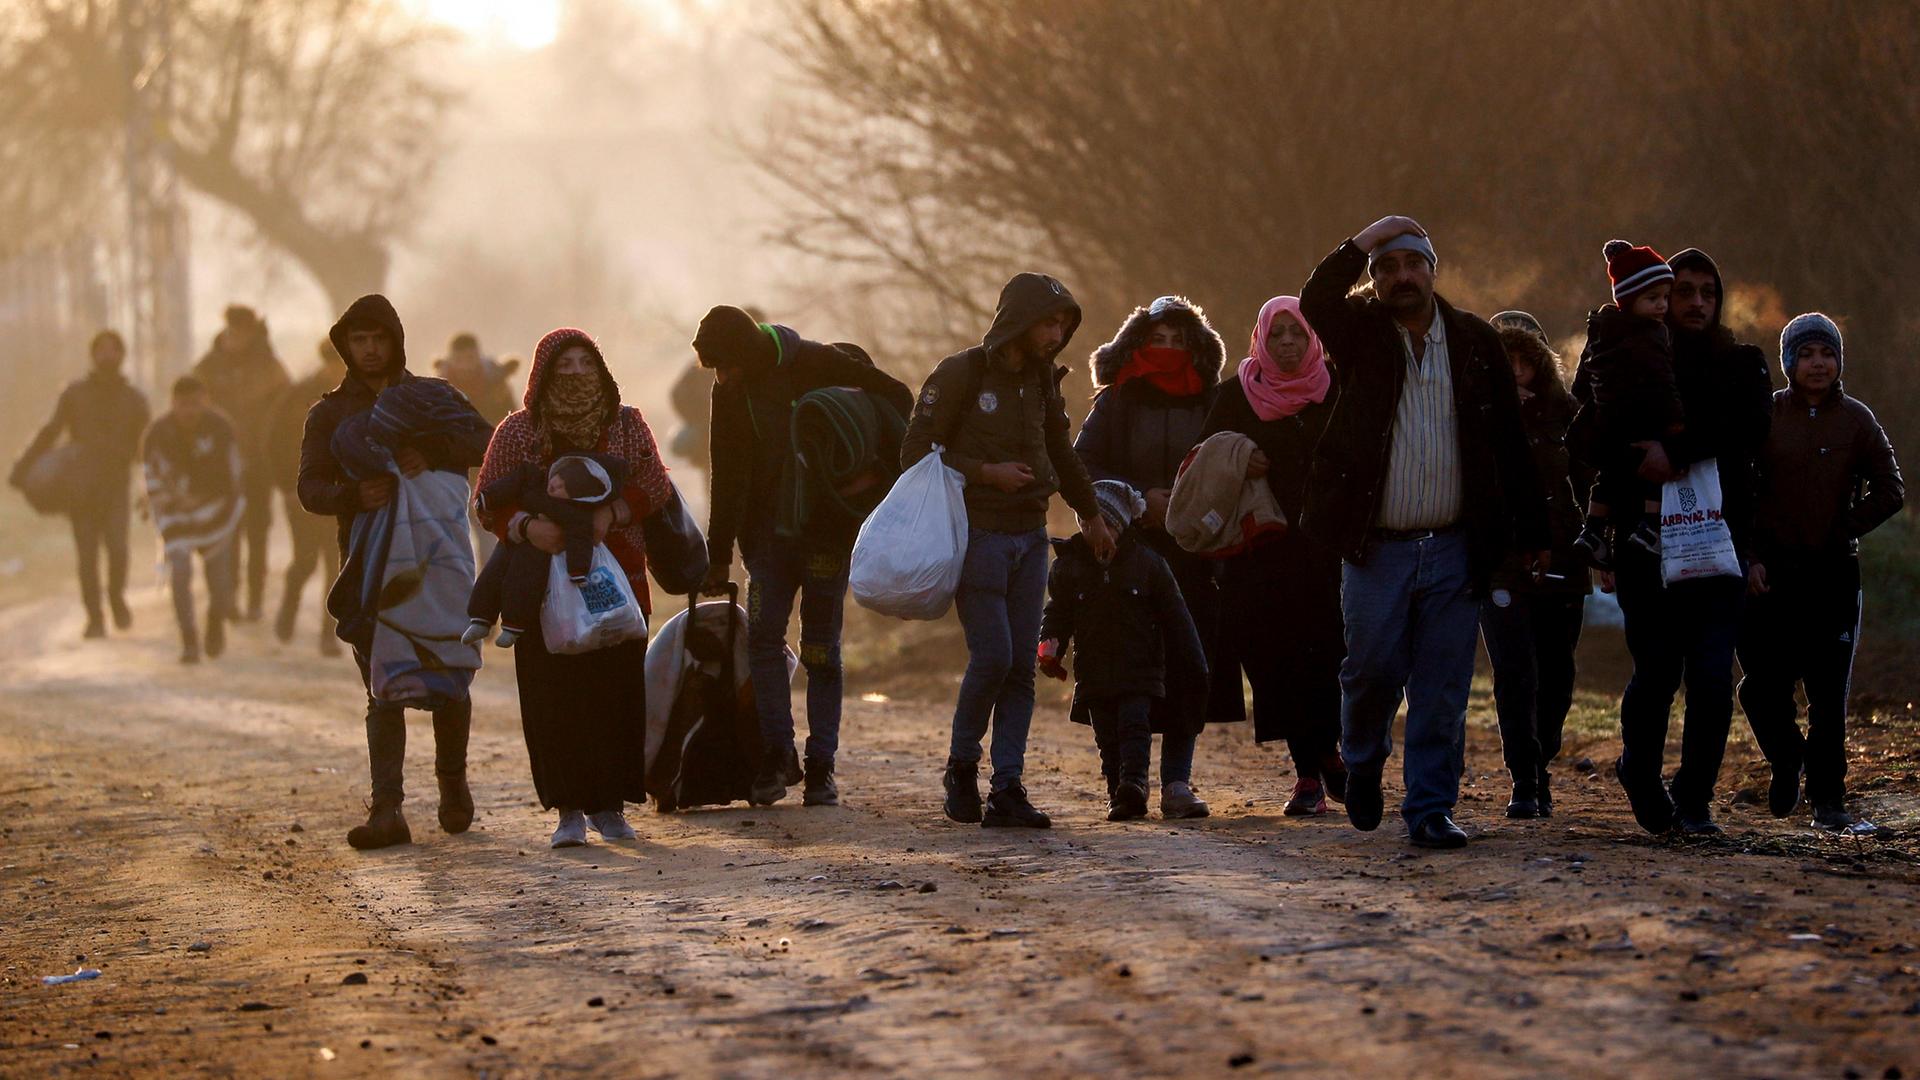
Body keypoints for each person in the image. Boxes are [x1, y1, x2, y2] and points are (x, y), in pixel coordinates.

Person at [1297, 216, 1549, 849]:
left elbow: (1510, 446)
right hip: (1374, 547)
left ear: (1433, 272)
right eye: (1387, 268)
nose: (1401, 276)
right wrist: (1366, 237)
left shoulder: (1474, 341)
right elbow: (1314, 300)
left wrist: (1532, 530)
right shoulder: (1358, 335)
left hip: (1457, 546)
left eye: (1412, 263)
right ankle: (1361, 761)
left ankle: (1431, 808)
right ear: (1374, 282)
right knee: (1373, 671)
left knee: (1441, 689)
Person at [901, 273, 1115, 829]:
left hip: (1030, 539)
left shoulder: (1045, 381)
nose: (1057, 333)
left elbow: (1061, 453)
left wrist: (1090, 513)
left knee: (1022, 666)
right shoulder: (961, 373)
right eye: (1049, 321)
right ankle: (961, 767)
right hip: (976, 537)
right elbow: (914, 453)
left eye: (1064, 324)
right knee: (993, 657)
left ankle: (1008, 788)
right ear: (1020, 320)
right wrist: (985, 473)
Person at [695, 305, 912, 807]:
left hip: (826, 536)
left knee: (820, 650)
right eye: (715, 371)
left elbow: (897, 398)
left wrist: (873, 475)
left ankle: (821, 767)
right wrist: (718, 554)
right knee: (765, 642)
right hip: (765, 538)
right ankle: (777, 757)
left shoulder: (815, 362)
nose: (722, 378)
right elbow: (723, 471)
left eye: (726, 366)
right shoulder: (728, 389)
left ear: (747, 352)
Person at [298, 295, 492, 851]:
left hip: (441, 561)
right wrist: (354, 494)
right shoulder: (330, 414)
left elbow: (485, 441)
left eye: (378, 338)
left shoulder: (431, 398)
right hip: (372, 566)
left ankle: (452, 785)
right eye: (358, 341)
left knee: (449, 669)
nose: (370, 350)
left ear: (396, 340)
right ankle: (388, 811)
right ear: (345, 345)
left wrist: (428, 449)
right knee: (382, 688)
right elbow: (309, 488)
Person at [476, 327, 672, 849]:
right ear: (542, 375)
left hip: (617, 582)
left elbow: (656, 483)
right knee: (552, 699)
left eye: (587, 363)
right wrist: (525, 528)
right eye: (565, 366)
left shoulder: (627, 425)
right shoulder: (518, 433)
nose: (577, 374)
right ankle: (567, 810)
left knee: (615, 694)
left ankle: (609, 808)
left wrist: (615, 512)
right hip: (538, 590)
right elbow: (485, 501)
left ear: (602, 370)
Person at [1604, 248, 1773, 836]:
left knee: (1709, 676)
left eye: (1708, 291)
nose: (1697, 302)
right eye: (1684, 291)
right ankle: (1642, 773)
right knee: (1655, 671)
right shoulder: (1625, 355)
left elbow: (1749, 427)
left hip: (1720, 544)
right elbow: (1590, 428)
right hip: (1644, 542)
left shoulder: (1741, 362)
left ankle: (1696, 799)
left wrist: (1674, 450)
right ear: (1661, 298)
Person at [1737, 314, 1903, 834]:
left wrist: (1842, 529)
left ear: (1838, 362)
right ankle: (1789, 760)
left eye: (1827, 354)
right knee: (1760, 689)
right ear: (1788, 362)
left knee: (1828, 696)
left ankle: (1830, 802)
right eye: (1806, 354)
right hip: (1771, 576)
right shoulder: (1764, 416)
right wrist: (1751, 557)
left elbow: (1891, 489)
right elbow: (1741, 494)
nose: (1818, 364)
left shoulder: (1856, 420)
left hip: (1833, 576)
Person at [1074, 295, 1233, 818]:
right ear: (1137, 344)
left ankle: (1178, 781)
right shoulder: (1117, 399)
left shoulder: (1211, 400)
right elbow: (1082, 463)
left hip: (1196, 552)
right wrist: (1140, 502)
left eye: (1178, 341)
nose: (1167, 351)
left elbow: (1227, 460)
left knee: (1189, 662)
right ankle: (1127, 779)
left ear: (1196, 347)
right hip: (1127, 555)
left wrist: (1189, 505)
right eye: (1157, 341)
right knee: (1128, 666)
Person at [1197, 295, 1348, 817]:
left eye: (1297, 333)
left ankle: (1321, 758)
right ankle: (1310, 766)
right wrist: (1239, 456)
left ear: (1313, 340)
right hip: (1255, 555)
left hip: (1326, 550)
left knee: (1327, 655)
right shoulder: (1236, 394)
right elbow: (1200, 460)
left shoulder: (1335, 389)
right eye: (1277, 333)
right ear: (1260, 336)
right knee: (1270, 661)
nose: (1286, 343)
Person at [1039, 480, 1207, 821]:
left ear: (1120, 525)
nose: (1094, 532)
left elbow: (1176, 615)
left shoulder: (1148, 563)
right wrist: (1049, 646)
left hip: (1139, 670)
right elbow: (1057, 614)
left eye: (1105, 525)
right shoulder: (1069, 568)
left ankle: (1134, 785)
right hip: (1093, 672)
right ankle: (1117, 789)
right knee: (1107, 738)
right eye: (1087, 525)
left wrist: (1195, 662)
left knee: (1134, 728)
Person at [1480, 313, 1591, 819]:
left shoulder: (1571, 417)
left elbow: (1593, 484)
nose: (1516, 371)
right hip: (1500, 564)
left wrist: (1601, 546)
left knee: (1558, 672)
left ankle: (1541, 758)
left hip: (1564, 558)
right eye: (1505, 361)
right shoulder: (1470, 416)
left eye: (1524, 361)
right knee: (1514, 672)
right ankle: (1525, 778)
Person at [11, 330, 150, 638]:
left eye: (112, 350)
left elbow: (149, 447)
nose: (106, 356)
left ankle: (116, 598)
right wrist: (23, 468)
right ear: (92, 355)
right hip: (80, 486)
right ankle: (95, 618)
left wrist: (153, 486)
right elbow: (50, 431)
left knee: (117, 549)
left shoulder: (134, 400)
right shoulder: (74, 394)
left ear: (121, 355)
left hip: (116, 484)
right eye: (100, 350)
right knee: (87, 555)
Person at [1569, 241, 1683, 565]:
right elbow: (1663, 382)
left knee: (1608, 476)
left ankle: (1592, 529)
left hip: (1607, 425)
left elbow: (1582, 385)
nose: (1662, 306)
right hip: (1645, 419)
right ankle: (1650, 528)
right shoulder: (1652, 335)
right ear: (1630, 300)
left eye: (1665, 297)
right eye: (1652, 298)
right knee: (1654, 472)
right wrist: (1675, 421)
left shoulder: (1603, 331)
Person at [464, 452, 628, 647]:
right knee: (491, 574)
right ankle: (480, 619)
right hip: (512, 538)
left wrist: (577, 570)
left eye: (565, 490)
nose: (556, 487)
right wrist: (488, 498)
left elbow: (580, 540)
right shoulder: (535, 475)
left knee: (522, 584)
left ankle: (512, 627)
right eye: (561, 480)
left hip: (536, 552)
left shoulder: (572, 513)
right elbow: (511, 483)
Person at [194, 305, 291, 621]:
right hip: (220, 462)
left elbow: (287, 410)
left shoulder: (270, 366)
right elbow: (192, 411)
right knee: (227, 530)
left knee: (258, 531)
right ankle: (229, 597)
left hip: (260, 462)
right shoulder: (208, 367)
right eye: (234, 331)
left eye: (244, 332)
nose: (237, 338)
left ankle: (254, 599)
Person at [141, 376, 241, 664]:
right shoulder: (156, 434)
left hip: (216, 511)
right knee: (180, 574)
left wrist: (206, 497)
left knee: (220, 580)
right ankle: (189, 641)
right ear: (173, 403)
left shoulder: (221, 429)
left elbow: (233, 474)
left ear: (205, 402)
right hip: (175, 515)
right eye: (184, 405)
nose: (190, 411)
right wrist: (172, 499)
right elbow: (150, 475)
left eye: (196, 404)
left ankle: (214, 624)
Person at [268, 340, 344, 656]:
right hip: (304, 492)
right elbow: (275, 441)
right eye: (335, 361)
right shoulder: (299, 396)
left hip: (344, 494)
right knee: (306, 560)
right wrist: (286, 486)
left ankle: (328, 634)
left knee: (336, 563)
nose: (340, 369)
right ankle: (289, 604)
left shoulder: (363, 397)